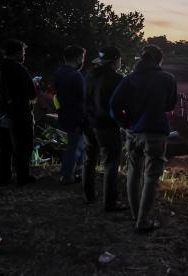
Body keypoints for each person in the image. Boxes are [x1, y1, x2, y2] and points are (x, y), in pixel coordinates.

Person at [110, 45, 177, 231]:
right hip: (156, 133)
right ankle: (143, 221)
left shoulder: (128, 79)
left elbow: (114, 105)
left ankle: (134, 213)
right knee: (151, 177)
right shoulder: (167, 79)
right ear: (159, 60)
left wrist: (126, 124)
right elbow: (169, 106)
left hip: (133, 133)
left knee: (133, 172)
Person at [82, 46, 126, 210]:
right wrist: (123, 122)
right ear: (115, 61)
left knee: (89, 160)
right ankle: (110, 202)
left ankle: (88, 196)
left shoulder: (89, 75)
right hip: (107, 126)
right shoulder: (116, 79)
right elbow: (120, 104)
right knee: (111, 163)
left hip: (89, 124)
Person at [0, 39, 36, 186]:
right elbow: (32, 93)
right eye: (23, 52)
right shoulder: (19, 69)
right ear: (18, 53)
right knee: (23, 145)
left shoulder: (0, 68)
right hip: (20, 113)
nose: (24, 55)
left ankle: (3, 177)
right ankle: (23, 177)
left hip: (2, 112)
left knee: (4, 147)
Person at [54, 45, 86, 184]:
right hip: (76, 116)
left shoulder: (59, 73)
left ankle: (77, 172)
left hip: (64, 114)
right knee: (74, 147)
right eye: (83, 58)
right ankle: (67, 175)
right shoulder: (76, 76)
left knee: (76, 145)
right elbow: (84, 97)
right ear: (79, 58)